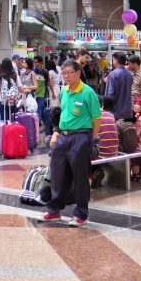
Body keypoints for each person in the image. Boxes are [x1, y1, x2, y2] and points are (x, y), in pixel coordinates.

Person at [43, 59, 102, 227]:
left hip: (81, 137)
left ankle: (81, 213)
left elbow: (97, 118)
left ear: (77, 73)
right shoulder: (64, 91)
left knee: (80, 177)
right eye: (64, 73)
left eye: (69, 73)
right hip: (64, 136)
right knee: (58, 173)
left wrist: (93, 138)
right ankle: (54, 210)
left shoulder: (88, 92)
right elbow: (62, 114)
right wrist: (56, 132)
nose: (66, 76)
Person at [90, 96, 121, 188]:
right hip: (114, 151)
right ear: (102, 105)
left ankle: (93, 173)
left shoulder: (92, 117)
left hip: (101, 154)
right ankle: (96, 172)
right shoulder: (111, 115)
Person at [105, 51, 134, 121]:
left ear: (116, 60)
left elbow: (110, 95)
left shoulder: (113, 74)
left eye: (113, 60)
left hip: (116, 113)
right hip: (128, 112)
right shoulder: (130, 74)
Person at [33, 56, 51, 135]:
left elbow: (49, 82)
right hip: (34, 94)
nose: (35, 64)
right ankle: (48, 128)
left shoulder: (45, 72)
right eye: (34, 62)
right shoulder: (33, 71)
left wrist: (52, 93)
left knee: (38, 112)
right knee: (43, 113)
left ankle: (35, 131)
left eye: (36, 62)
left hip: (42, 94)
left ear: (40, 62)